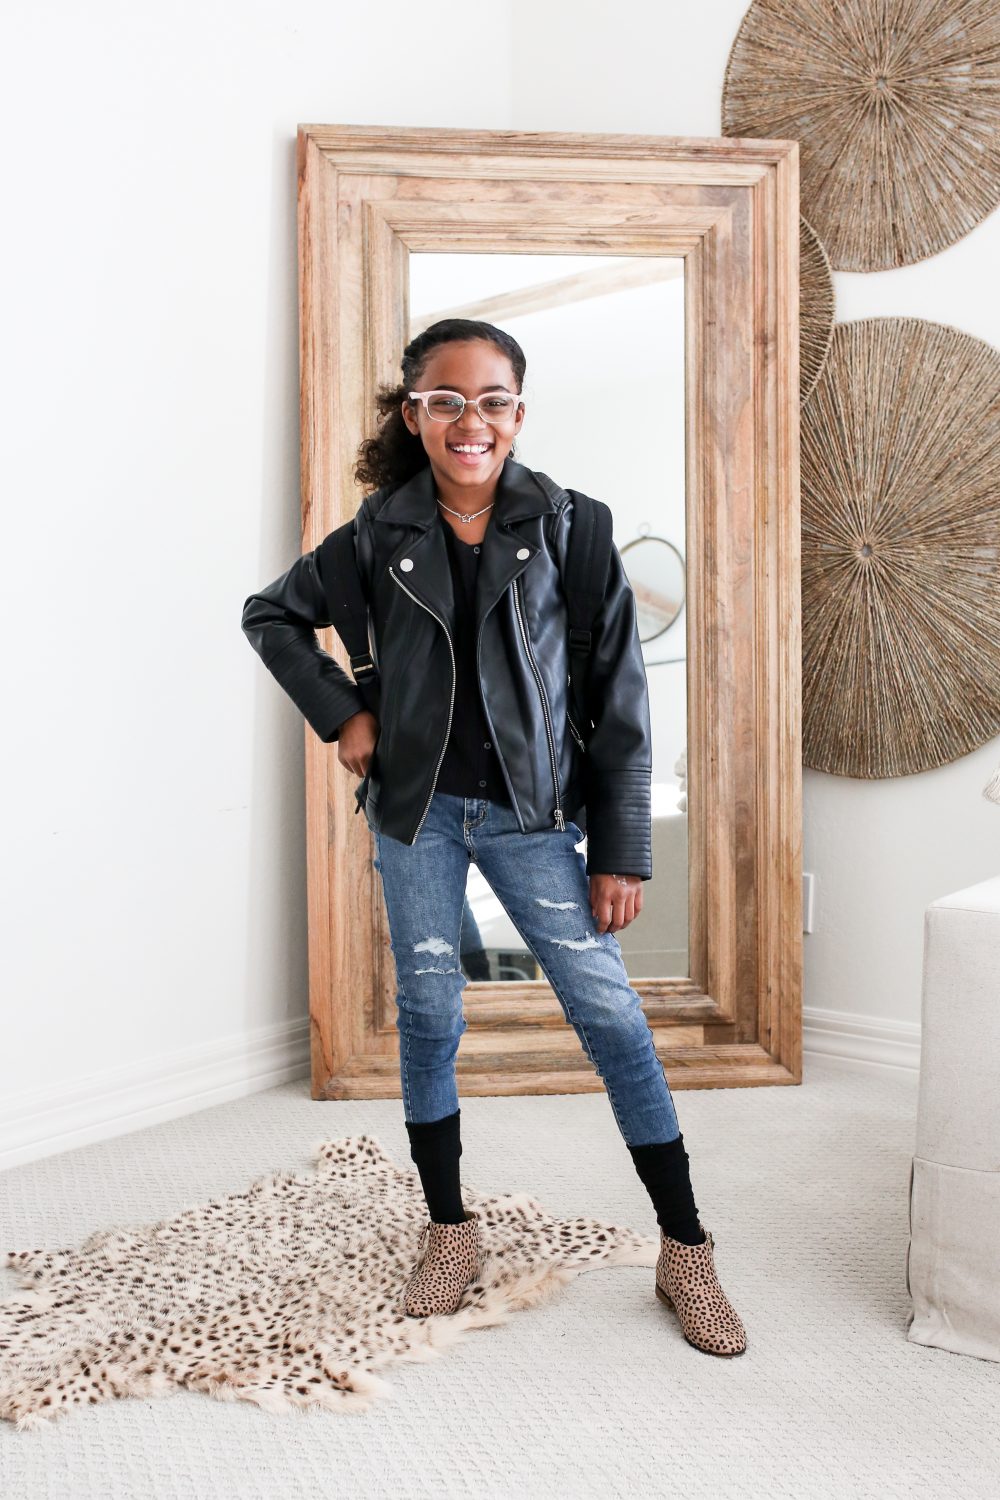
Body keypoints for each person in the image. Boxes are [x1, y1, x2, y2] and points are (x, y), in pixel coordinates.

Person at [241, 318, 747, 1356]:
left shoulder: (573, 527)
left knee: (610, 1018)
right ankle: (448, 1230)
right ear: (414, 413)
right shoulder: (376, 536)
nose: (470, 420)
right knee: (429, 1017)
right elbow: (271, 616)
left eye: (492, 400)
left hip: (532, 820)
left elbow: (620, 695)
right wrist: (346, 715)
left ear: (518, 412)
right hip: (415, 819)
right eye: (445, 400)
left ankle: (684, 1247)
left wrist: (620, 848)